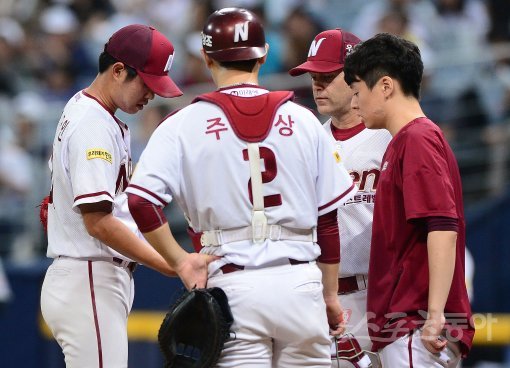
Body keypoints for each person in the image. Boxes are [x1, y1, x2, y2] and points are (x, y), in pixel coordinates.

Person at [126, 8, 357, 367]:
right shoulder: (304, 119)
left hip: (233, 286)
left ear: (206, 57)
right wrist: (329, 297)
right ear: (263, 55)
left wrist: (180, 262)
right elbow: (328, 220)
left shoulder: (181, 124)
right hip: (301, 282)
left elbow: (141, 202)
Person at [39, 24, 186, 368]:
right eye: (147, 84)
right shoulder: (93, 124)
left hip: (88, 277)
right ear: (118, 70)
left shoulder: (91, 110)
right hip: (88, 276)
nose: (152, 95)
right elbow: (99, 223)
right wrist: (171, 263)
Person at [343, 33, 475, 367]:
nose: (354, 103)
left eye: (357, 90)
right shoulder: (408, 140)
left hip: (417, 324)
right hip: (410, 325)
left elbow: (443, 227)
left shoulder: (417, 138)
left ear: (385, 86)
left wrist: (433, 316)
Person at [289, 28, 392, 368]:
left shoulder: (389, 138)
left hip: (377, 294)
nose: (317, 85)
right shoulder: (307, 141)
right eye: (313, 76)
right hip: (319, 297)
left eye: (328, 76)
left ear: (355, 78)